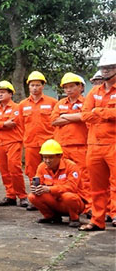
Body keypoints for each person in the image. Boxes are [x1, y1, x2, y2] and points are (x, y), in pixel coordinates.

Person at [81, 50, 116, 231]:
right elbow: (85, 114)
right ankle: (97, 220)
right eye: (103, 68)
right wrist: (106, 115)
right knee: (96, 187)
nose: (106, 71)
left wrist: (100, 112)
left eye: (110, 67)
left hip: (114, 144)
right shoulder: (94, 92)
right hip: (94, 145)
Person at [16, 71, 58, 210]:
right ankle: (36, 198)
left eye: (38, 85)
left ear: (43, 86)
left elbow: (56, 122)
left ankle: (52, 195)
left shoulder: (52, 103)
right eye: (32, 85)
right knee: (32, 171)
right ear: (29, 87)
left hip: (49, 144)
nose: (35, 88)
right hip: (31, 143)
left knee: (51, 170)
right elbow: (20, 125)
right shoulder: (22, 105)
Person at [51, 73, 90, 211]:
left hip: (80, 145)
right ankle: (65, 204)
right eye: (66, 87)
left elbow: (85, 116)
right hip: (61, 147)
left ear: (80, 87)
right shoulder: (60, 103)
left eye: (72, 86)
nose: (68, 90)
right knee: (62, 177)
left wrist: (65, 116)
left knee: (84, 177)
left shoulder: (87, 102)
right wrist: (75, 117)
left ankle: (88, 206)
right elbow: (54, 121)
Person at [27, 139, 84, 227]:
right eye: (45, 157)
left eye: (51, 157)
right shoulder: (41, 167)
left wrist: (49, 189)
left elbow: (72, 187)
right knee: (32, 196)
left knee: (69, 197)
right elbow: (37, 182)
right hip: (54, 201)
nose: (47, 161)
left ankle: (74, 218)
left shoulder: (71, 166)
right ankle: (51, 217)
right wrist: (36, 188)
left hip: (71, 202)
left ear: (60, 156)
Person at [0, 81, 27, 207]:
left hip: (13, 141)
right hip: (0, 143)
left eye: (3, 92)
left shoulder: (16, 108)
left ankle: (22, 196)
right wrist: (3, 124)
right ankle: (10, 195)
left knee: (14, 168)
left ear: (10, 94)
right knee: (4, 170)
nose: (0, 95)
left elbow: (13, 122)